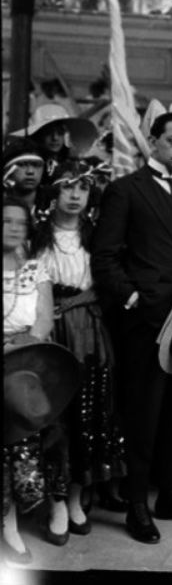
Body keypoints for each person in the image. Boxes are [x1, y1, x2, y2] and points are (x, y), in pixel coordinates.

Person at [91, 112, 172, 544]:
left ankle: (170, 494)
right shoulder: (126, 190)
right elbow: (105, 257)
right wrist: (133, 300)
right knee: (143, 415)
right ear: (153, 141)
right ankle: (136, 505)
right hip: (145, 323)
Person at [34, 161, 127, 543]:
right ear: (54, 192)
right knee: (54, 414)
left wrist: (81, 303)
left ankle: (77, 496)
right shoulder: (38, 236)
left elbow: (108, 278)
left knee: (88, 411)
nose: (75, 196)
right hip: (49, 328)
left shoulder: (97, 235)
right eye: (67, 187)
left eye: (83, 188)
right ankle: (55, 500)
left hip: (88, 328)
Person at [2, 197, 57, 564]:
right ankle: (5, 524)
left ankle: (14, 524)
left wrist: (25, 345)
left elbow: (44, 318)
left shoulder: (36, 269)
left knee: (20, 442)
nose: (14, 228)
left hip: (24, 364)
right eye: (6, 221)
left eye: (20, 222)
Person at [3, 138, 46, 219]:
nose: (30, 171)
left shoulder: (53, 205)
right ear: (7, 170)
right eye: (22, 164)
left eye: (36, 165)